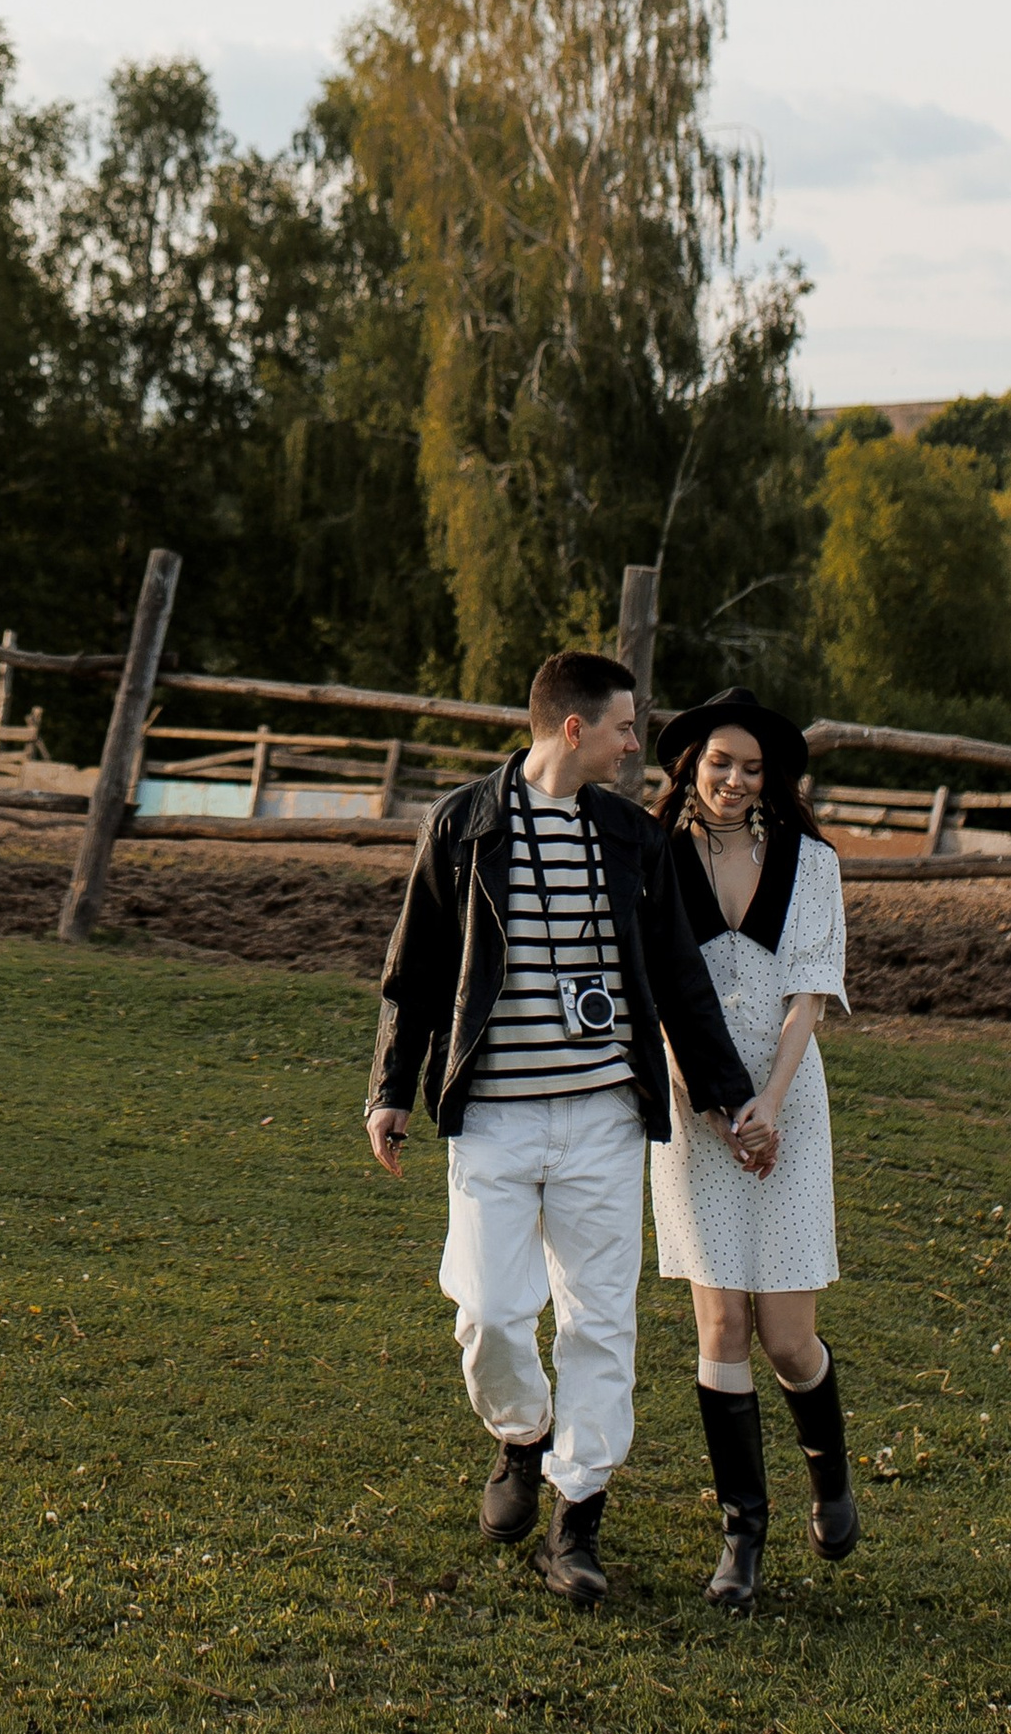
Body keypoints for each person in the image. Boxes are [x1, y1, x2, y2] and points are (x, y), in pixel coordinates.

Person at [367, 651, 772, 1607]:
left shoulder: (633, 838)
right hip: (494, 1118)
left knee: (600, 1321)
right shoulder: (463, 824)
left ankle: (576, 1518)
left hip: (602, 1118)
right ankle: (522, 1434)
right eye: (627, 728)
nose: (637, 746)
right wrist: (390, 1087)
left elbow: (678, 977)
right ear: (575, 728)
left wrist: (727, 1096)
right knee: (489, 1314)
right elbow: (416, 969)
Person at [649, 688, 858, 1611]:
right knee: (721, 1328)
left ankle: (830, 1474)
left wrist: (767, 1103)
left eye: (752, 768)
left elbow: (809, 994)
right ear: (691, 764)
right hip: (694, 1109)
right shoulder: (655, 857)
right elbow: (652, 987)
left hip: (786, 1108)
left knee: (786, 1337)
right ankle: (742, 1535)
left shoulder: (813, 864)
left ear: (772, 780)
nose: (734, 780)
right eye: (720, 763)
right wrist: (702, 1097)